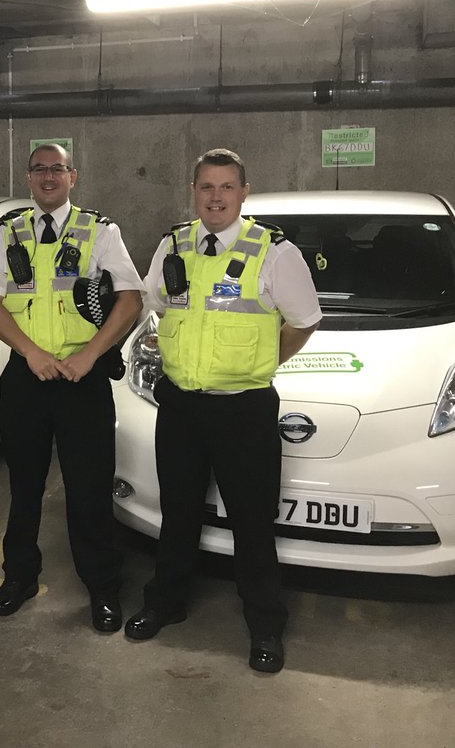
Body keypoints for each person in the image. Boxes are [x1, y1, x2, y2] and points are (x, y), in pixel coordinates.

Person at [125, 147, 321, 674]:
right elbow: (159, 306)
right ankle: (165, 603)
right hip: (181, 407)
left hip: (244, 411)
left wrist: (259, 363)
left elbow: (303, 320)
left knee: (252, 523)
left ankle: (265, 625)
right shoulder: (174, 243)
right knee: (179, 514)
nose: (216, 197)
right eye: (207, 187)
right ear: (195, 192)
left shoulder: (274, 252)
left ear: (243, 193)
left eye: (226, 187)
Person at [0, 143, 143, 632]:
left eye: (58, 169)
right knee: (23, 486)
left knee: (89, 490)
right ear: (28, 179)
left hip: (82, 378)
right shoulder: (9, 233)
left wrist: (88, 356)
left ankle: (103, 589)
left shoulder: (100, 231)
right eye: (39, 170)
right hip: (27, 375)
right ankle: (19, 578)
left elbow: (131, 298)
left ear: (74, 176)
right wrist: (32, 353)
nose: (49, 177)